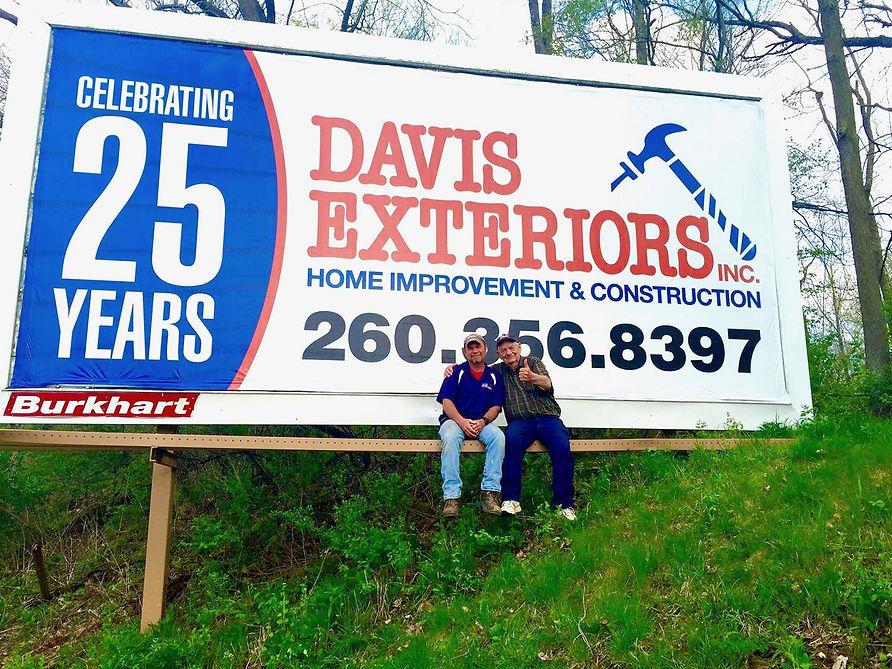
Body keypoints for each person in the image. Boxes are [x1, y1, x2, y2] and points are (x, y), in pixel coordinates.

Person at [491, 333, 576, 520]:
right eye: (503, 349)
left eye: (511, 347)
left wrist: (532, 377)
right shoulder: (497, 370)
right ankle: (511, 500)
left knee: (562, 450)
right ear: (498, 353)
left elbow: (547, 384)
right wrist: (453, 369)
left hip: (548, 418)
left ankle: (564, 505)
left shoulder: (533, 362)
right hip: (519, 423)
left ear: (519, 347)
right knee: (510, 444)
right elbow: (475, 371)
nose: (508, 352)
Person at [436, 333, 505, 518]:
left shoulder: (494, 376)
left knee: (498, 437)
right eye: (470, 347)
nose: (475, 350)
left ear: (485, 349)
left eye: (478, 346)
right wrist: (462, 421)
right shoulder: (456, 372)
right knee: (450, 437)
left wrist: (482, 422)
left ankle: (489, 494)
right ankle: (451, 498)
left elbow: (496, 407)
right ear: (464, 352)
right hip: (455, 422)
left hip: (481, 423)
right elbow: (447, 403)